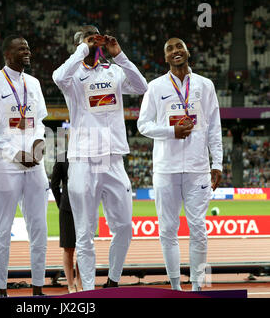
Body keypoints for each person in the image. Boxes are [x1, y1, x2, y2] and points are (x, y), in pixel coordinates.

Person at [52, 25, 148, 291]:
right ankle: (89, 292)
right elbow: (57, 76)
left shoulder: (114, 70)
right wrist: (85, 47)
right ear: (78, 45)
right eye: (88, 39)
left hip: (113, 158)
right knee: (84, 234)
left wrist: (119, 55)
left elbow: (142, 87)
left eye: (97, 38)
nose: (96, 42)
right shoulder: (72, 77)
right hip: (83, 159)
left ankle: (113, 281)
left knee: (125, 227)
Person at [137, 37, 223, 291]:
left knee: (198, 228)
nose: (176, 51)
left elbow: (214, 127)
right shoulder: (155, 87)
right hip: (166, 168)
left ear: (187, 51)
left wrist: (216, 163)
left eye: (179, 47)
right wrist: (171, 131)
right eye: (170, 49)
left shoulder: (205, 86)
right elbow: (143, 125)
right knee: (168, 229)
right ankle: (175, 288)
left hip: (198, 169)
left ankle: (196, 287)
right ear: (165, 58)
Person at [0, 34, 48, 297]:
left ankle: (38, 287)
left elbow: (40, 120)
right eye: (21, 49)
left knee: (39, 227)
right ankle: (1, 288)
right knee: (2, 229)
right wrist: (15, 153)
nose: (27, 52)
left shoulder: (34, 83)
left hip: (35, 165)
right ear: (7, 54)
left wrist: (39, 144)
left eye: (28, 48)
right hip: (5, 165)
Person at [51, 150, 83, 293]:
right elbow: (54, 184)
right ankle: (70, 285)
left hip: (85, 208)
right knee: (68, 248)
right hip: (67, 208)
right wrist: (61, 204)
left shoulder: (88, 155)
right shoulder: (62, 157)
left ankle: (80, 283)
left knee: (84, 248)